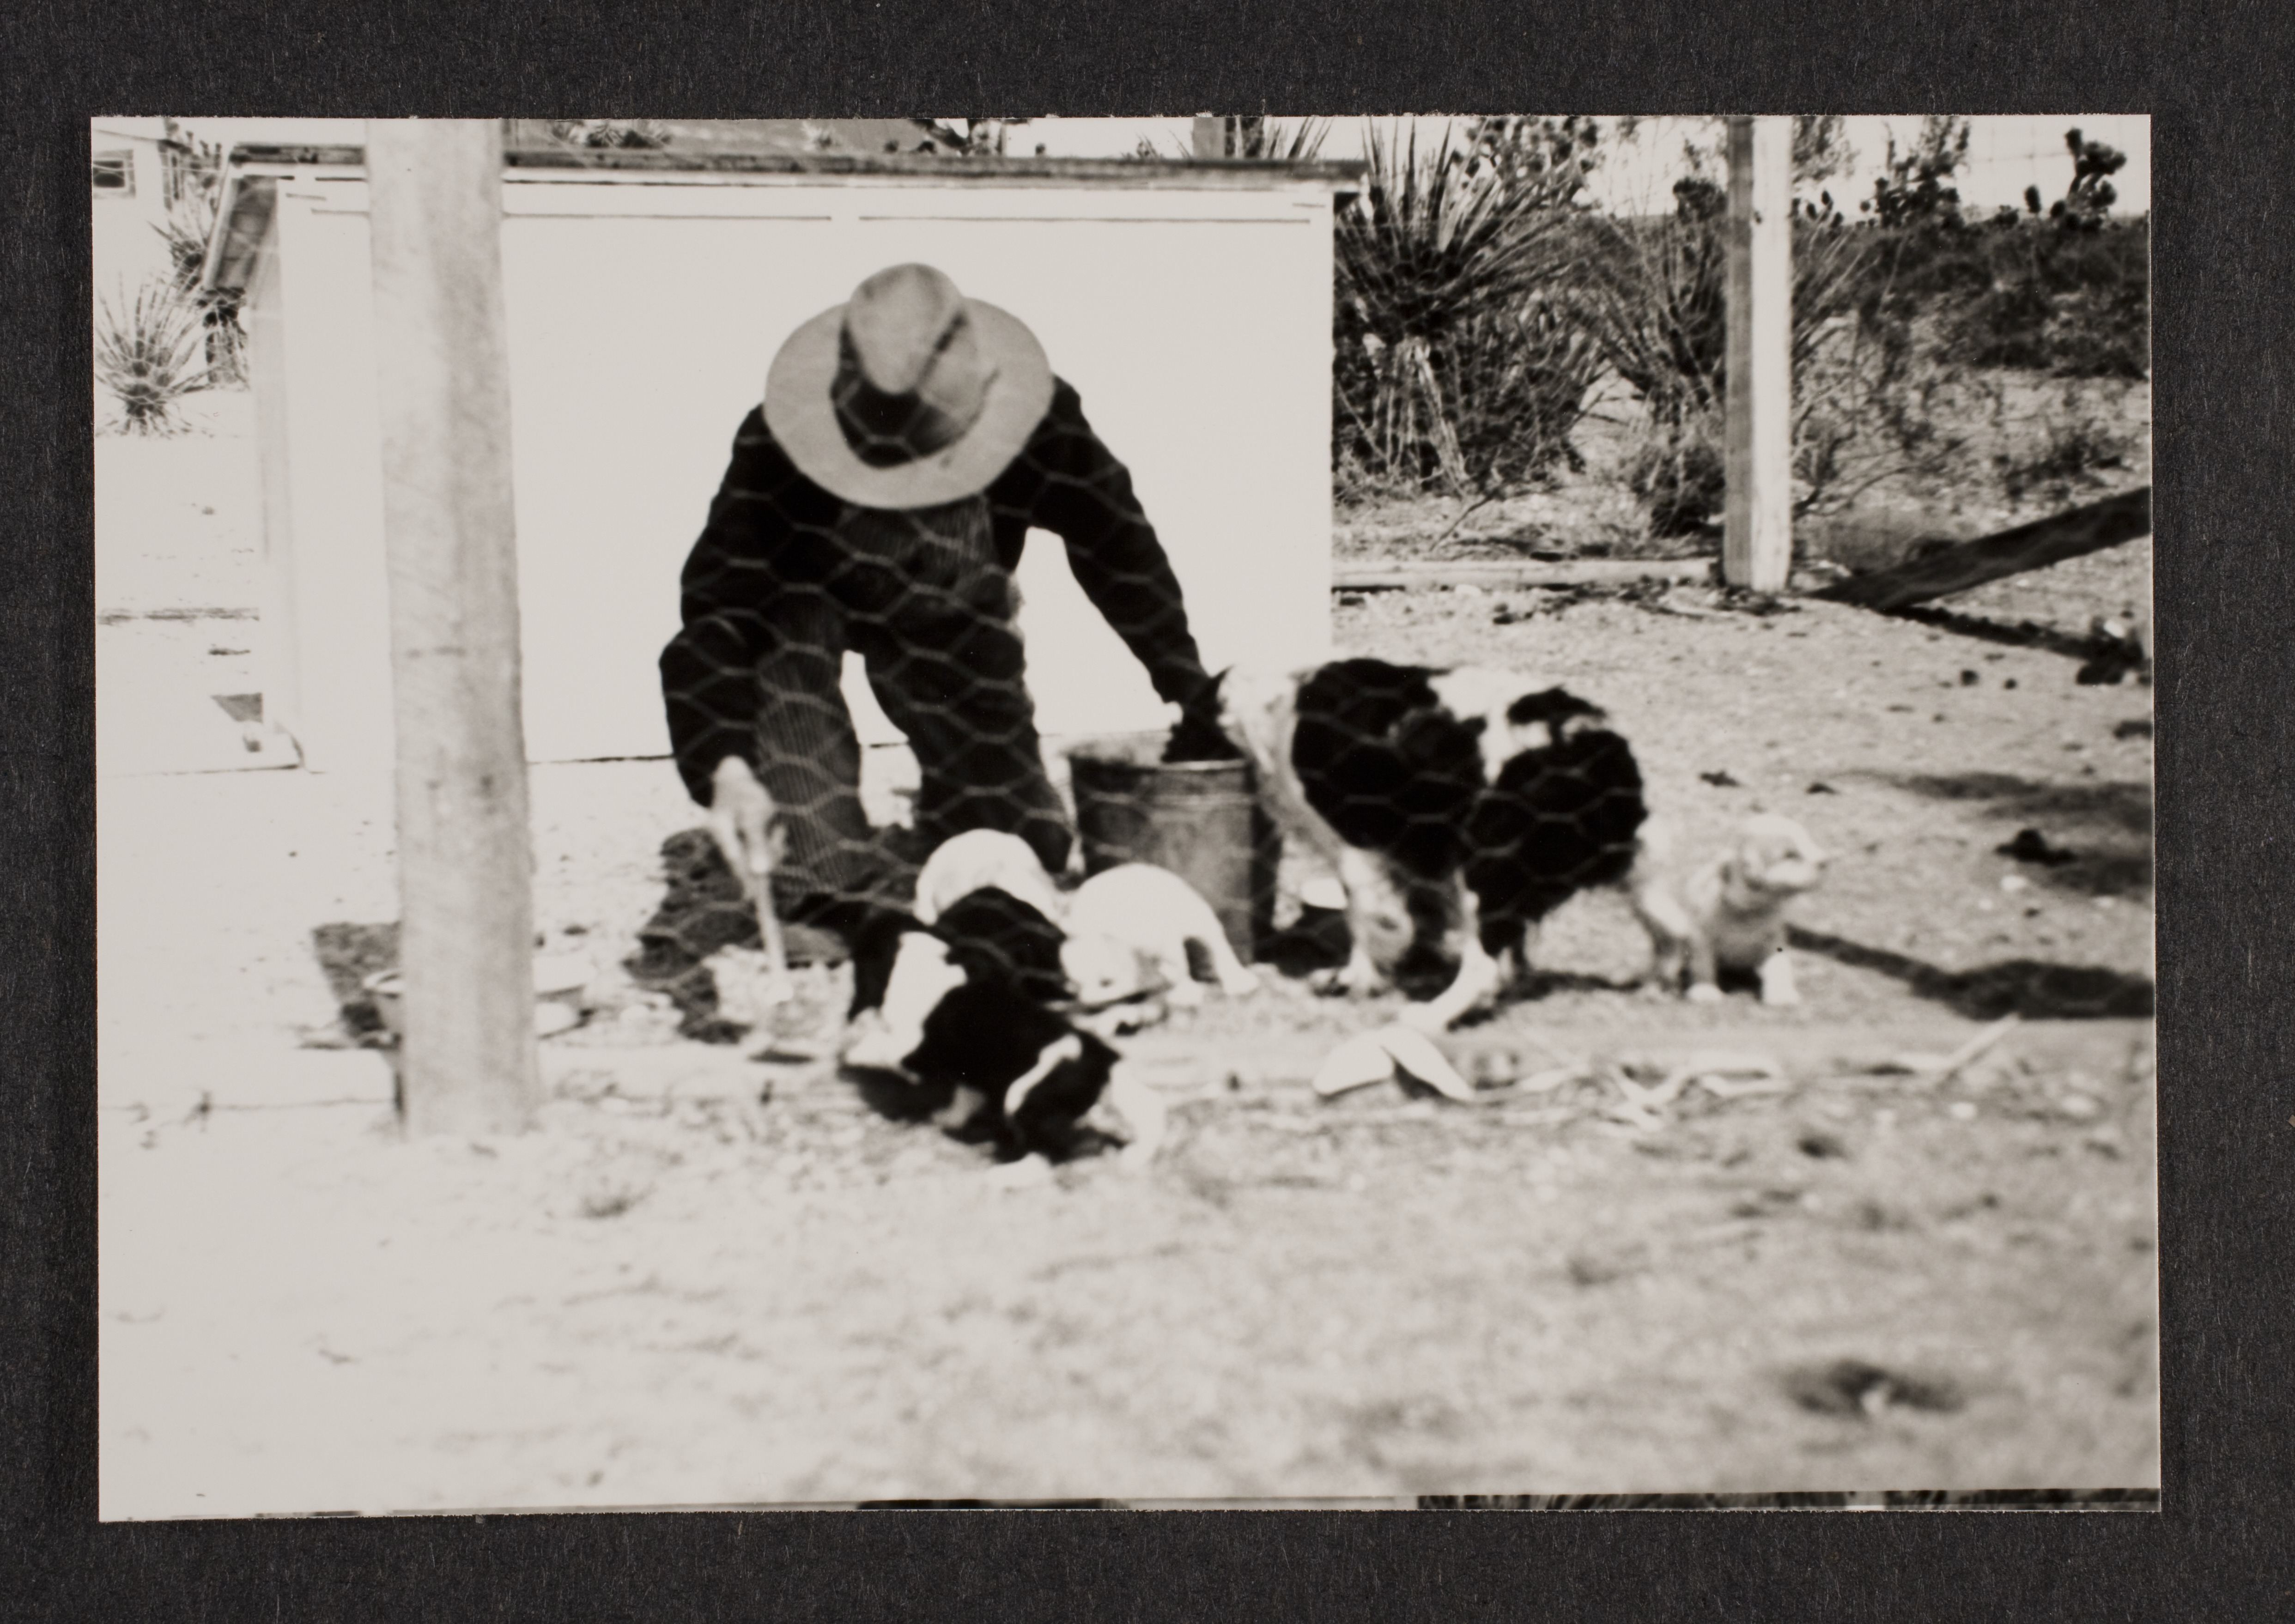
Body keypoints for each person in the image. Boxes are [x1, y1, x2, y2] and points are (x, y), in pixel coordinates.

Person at [659, 262, 1236, 996]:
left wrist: (1184, 683)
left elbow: (1117, 549)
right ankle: (823, 874)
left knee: (1026, 851)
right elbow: (717, 609)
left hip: (951, 611)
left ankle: (962, 813)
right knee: (787, 652)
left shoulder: (1043, 424)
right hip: (812, 606)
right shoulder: (778, 447)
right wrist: (727, 766)